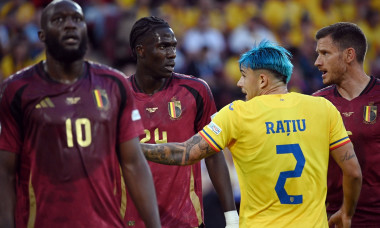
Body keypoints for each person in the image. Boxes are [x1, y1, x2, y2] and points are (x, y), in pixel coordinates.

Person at [140, 40, 363, 227]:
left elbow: (185, 153)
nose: (239, 82)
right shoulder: (322, 108)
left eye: (244, 75)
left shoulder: (238, 114)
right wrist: (347, 212)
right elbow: (353, 173)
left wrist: (133, 149)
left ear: (262, 80)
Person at [0, 1, 160, 227]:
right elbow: (5, 172)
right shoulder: (17, 90)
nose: (69, 25)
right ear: (42, 36)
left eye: (77, 19)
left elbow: (134, 163)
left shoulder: (114, 84)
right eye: (59, 20)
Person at [125, 16, 238, 228]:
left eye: (174, 46)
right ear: (141, 50)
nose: (172, 54)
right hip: (130, 220)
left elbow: (213, 154)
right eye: (163, 46)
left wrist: (231, 216)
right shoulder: (116, 95)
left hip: (186, 220)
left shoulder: (196, 90)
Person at [313, 22, 380, 227]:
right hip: (330, 219)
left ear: (349, 55)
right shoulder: (317, 103)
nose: (317, 62)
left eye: (325, 53)